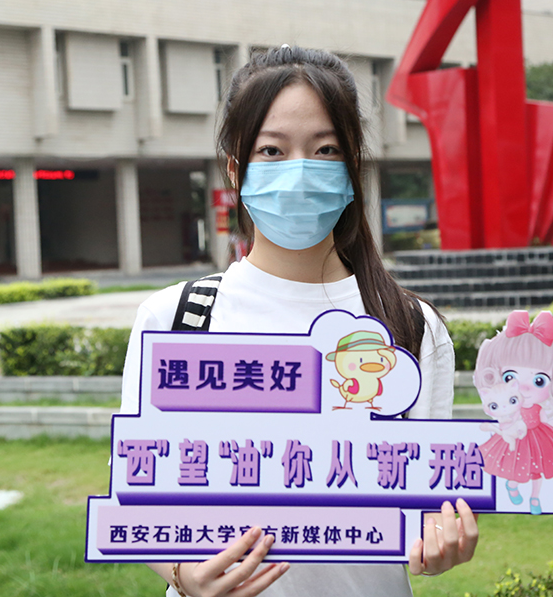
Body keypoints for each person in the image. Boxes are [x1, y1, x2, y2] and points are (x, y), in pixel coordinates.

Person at [118, 45, 478, 597]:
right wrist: (183, 574)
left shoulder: (411, 325)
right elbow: (137, 493)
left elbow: (425, 503)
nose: (300, 171)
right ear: (236, 169)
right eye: (272, 150)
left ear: (353, 167)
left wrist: (440, 537)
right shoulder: (176, 318)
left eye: (325, 150)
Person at [472, 310, 553, 515]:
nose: (524, 387)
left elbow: (546, 422)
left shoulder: (539, 408)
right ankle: (512, 486)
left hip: (539, 438)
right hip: (517, 438)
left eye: (539, 380)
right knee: (516, 467)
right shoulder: (512, 409)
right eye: (510, 377)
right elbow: (505, 420)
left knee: (537, 471)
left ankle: (535, 498)